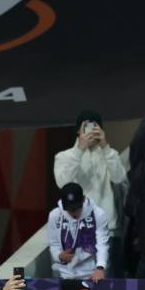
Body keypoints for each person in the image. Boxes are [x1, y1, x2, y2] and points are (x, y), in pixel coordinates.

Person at [54, 110, 128, 274]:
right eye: (86, 127)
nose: (91, 131)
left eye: (95, 127)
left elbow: (119, 177)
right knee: (79, 287)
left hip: (107, 229)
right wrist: (80, 149)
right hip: (75, 231)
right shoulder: (64, 157)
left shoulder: (109, 154)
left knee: (110, 288)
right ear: (78, 131)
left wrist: (105, 146)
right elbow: (63, 183)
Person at [47, 182, 108, 282]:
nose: (73, 213)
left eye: (76, 208)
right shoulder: (55, 215)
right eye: (69, 209)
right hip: (64, 274)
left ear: (83, 199)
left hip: (91, 274)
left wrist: (100, 267)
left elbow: (102, 244)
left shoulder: (98, 214)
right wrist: (59, 256)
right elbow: (53, 244)